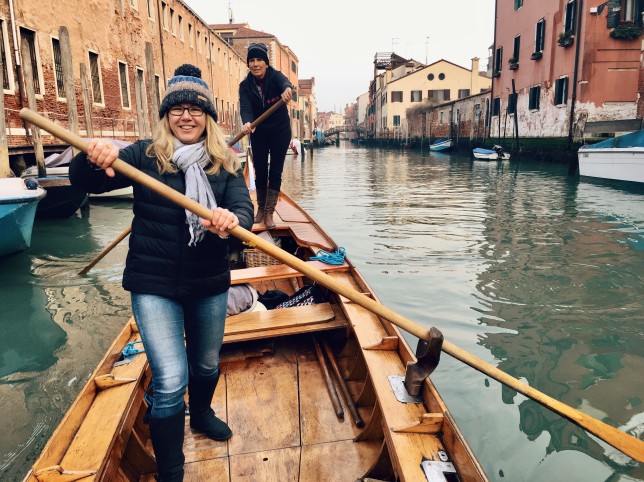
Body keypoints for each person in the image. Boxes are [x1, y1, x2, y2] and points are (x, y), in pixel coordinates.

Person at [69, 64, 254, 482]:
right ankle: (172, 471)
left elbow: (245, 212)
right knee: (171, 378)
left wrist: (231, 220)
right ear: (166, 116)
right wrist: (91, 159)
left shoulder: (225, 166)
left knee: (205, 364)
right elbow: (88, 183)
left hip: (207, 282)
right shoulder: (143, 157)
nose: (186, 116)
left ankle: (202, 414)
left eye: (195, 109)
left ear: (207, 117)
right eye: (177, 109)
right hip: (154, 285)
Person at [239, 42, 293, 229]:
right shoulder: (245, 86)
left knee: (275, 171)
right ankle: (260, 209)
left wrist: (287, 90)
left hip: (280, 131)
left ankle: (269, 212)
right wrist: (247, 122)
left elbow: (285, 83)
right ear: (248, 64)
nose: (255, 64)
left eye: (259, 60)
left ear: (266, 63)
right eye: (252, 60)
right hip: (259, 131)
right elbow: (245, 107)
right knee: (260, 170)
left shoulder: (275, 76)